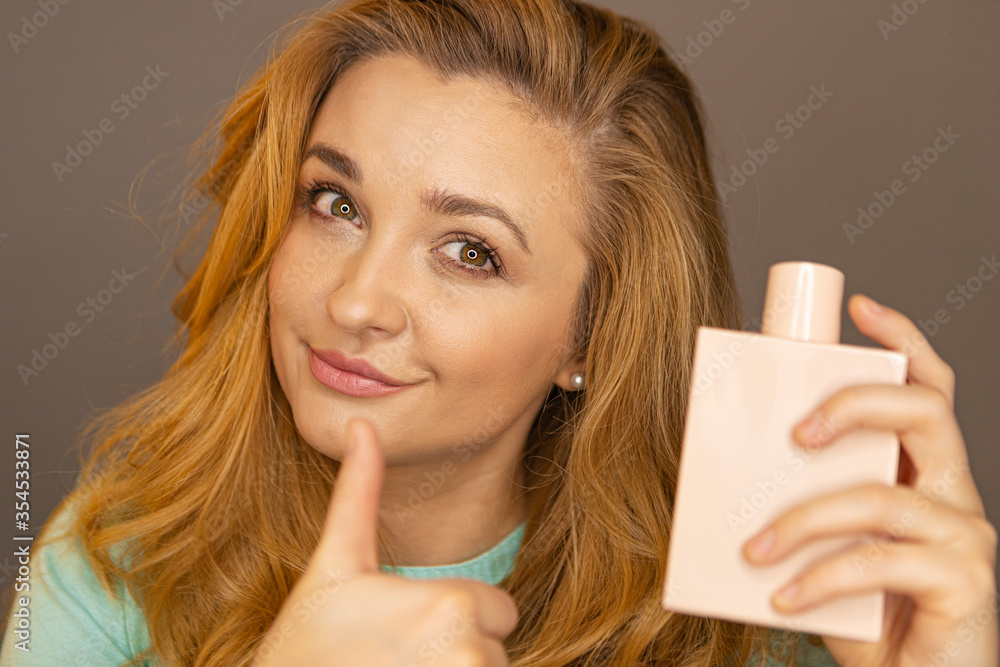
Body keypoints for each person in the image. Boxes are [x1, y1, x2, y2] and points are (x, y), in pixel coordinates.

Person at [2, 0, 996, 665]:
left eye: (468, 251)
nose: (357, 301)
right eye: (334, 202)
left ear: (589, 337)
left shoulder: (750, 620)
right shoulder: (109, 576)